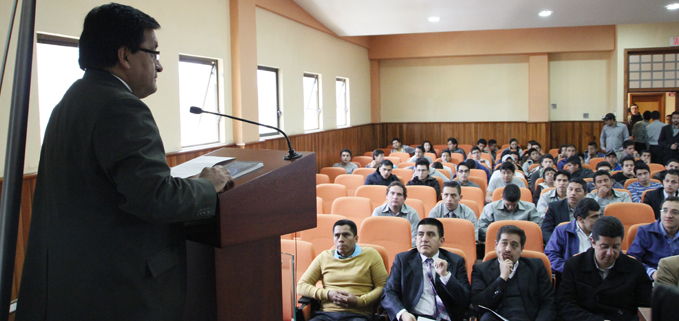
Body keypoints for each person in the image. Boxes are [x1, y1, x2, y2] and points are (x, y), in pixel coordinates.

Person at [15, 4, 234, 320]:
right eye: (154, 53)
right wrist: (207, 187)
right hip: (118, 291)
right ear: (124, 56)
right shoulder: (122, 107)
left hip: (74, 284)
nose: (159, 66)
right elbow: (156, 199)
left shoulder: (71, 100)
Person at [556, 216, 652, 321]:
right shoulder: (574, 265)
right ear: (593, 242)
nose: (610, 253)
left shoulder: (636, 269)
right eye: (604, 246)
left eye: (615, 247)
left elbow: (645, 308)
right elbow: (565, 304)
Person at [381, 219, 471, 321]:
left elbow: (465, 300)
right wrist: (403, 313)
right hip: (414, 317)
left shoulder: (456, 261)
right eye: (420, 234)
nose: (424, 239)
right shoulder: (403, 260)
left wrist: (445, 276)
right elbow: (388, 293)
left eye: (430, 235)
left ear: (441, 241)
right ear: (415, 239)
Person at [297, 219, 388, 321]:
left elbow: (383, 286)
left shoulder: (371, 255)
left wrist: (359, 301)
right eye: (337, 236)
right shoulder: (324, 257)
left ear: (356, 238)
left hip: (358, 315)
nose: (341, 239)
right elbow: (301, 286)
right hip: (326, 315)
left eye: (346, 235)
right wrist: (327, 294)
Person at [471, 225, 555, 321]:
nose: (508, 249)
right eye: (504, 243)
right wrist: (502, 278)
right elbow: (478, 305)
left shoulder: (536, 267)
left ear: (521, 249)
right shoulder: (481, 269)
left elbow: (548, 303)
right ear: (496, 245)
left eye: (514, 245)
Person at [545, 198, 601, 274]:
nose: (599, 220)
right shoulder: (562, 231)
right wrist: (571, 268)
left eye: (599, 215)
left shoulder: (603, 231)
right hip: (571, 277)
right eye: (594, 217)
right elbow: (551, 257)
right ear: (580, 219)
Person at [628, 196, 679, 280]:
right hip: (653, 279)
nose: (668, 215)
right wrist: (652, 273)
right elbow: (632, 260)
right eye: (665, 211)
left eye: (675, 212)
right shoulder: (645, 232)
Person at [371, 182, 420, 247]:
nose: (395, 197)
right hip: (382, 248)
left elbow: (416, 238)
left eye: (399, 194)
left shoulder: (412, 214)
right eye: (392, 193)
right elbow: (373, 236)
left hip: (405, 250)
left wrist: (399, 246)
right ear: (387, 196)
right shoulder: (378, 212)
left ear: (404, 199)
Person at [542, 179, 588, 244]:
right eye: (570, 189)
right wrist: (555, 244)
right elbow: (546, 230)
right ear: (566, 191)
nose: (573, 193)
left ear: (585, 194)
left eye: (577, 190)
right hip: (560, 243)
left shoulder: (589, 209)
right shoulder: (554, 207)